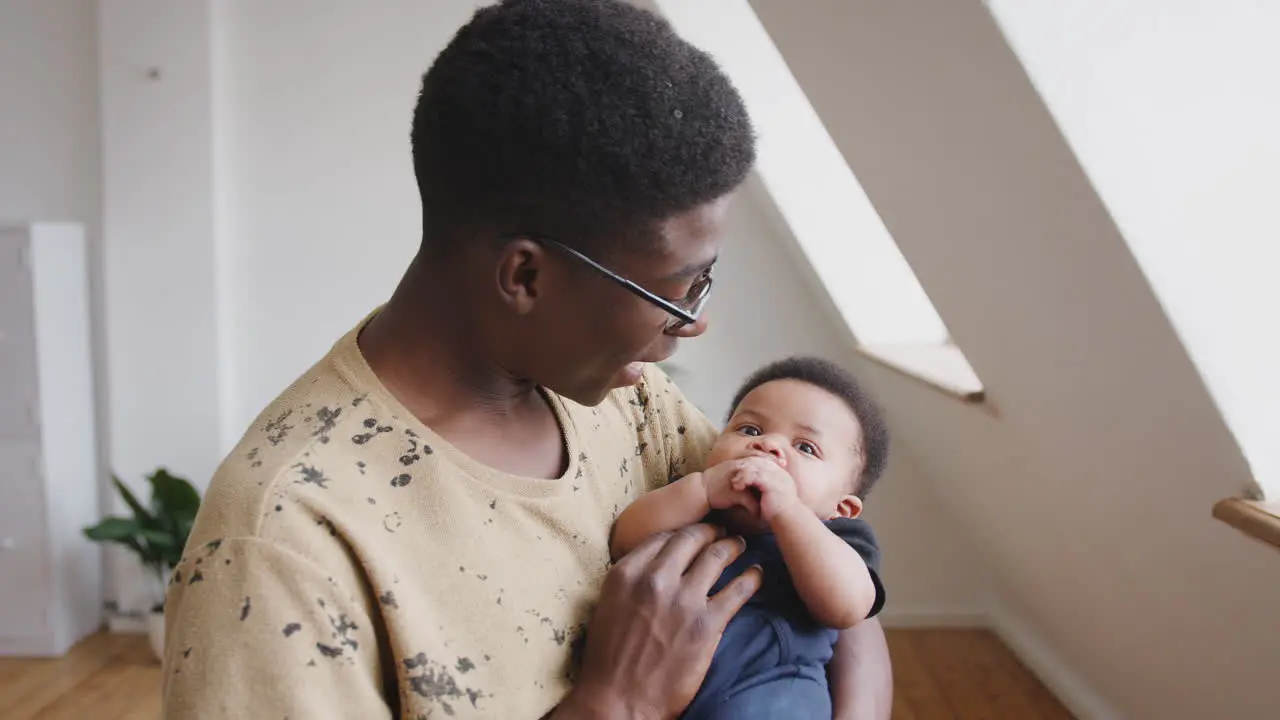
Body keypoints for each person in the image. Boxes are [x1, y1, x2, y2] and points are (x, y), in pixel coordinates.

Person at [160, 1, 893, 718]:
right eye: (676, 290)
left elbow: (831, 585)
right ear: (527, 278)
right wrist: (618, 701)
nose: (692, 325)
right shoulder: (287, 543)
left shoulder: (630, 399)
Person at [611, 357, 891, 719]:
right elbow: (625, 542)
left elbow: (848, 607)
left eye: (805, 447)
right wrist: (704, 488)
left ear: (841, 507)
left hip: (773, 689)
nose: (768, 446)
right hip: (662, 686)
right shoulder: (692, 502)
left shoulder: (835, 536)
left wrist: (788, 510)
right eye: (749, 430)